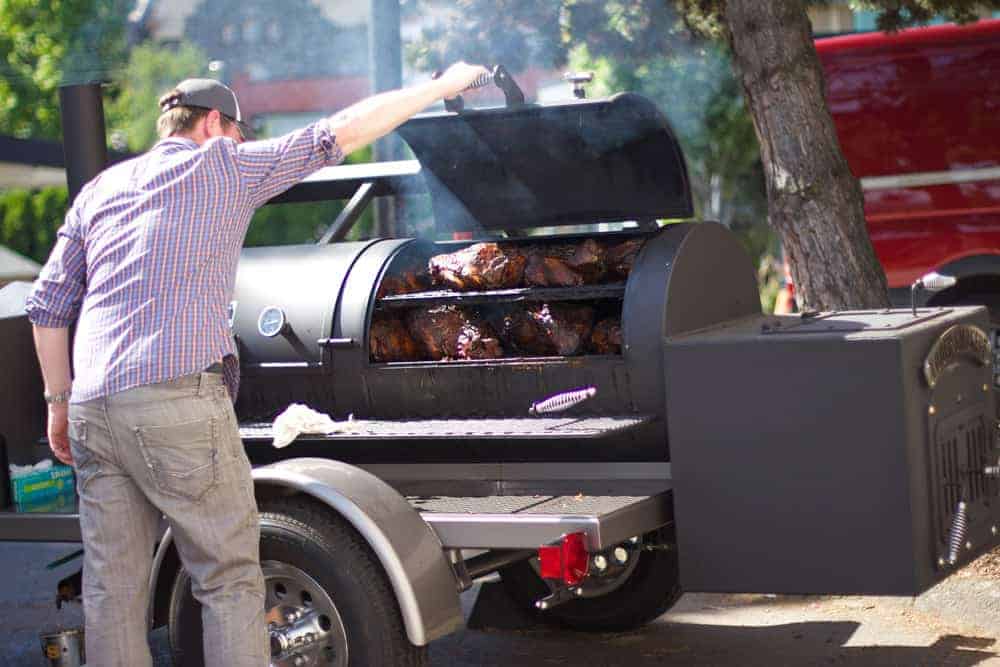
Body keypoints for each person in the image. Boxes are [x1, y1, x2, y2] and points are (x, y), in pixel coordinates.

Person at [24, 62, 489, 667]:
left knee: (112, 593)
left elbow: (47, 306)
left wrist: (58, 403)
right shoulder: (221, 164)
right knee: (227, 578)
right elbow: (340, 132)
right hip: (174, 402)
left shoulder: (101, 189)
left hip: (93, 406)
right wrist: (441, 86)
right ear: (215, 123)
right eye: (239, 132)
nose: (243, 143)